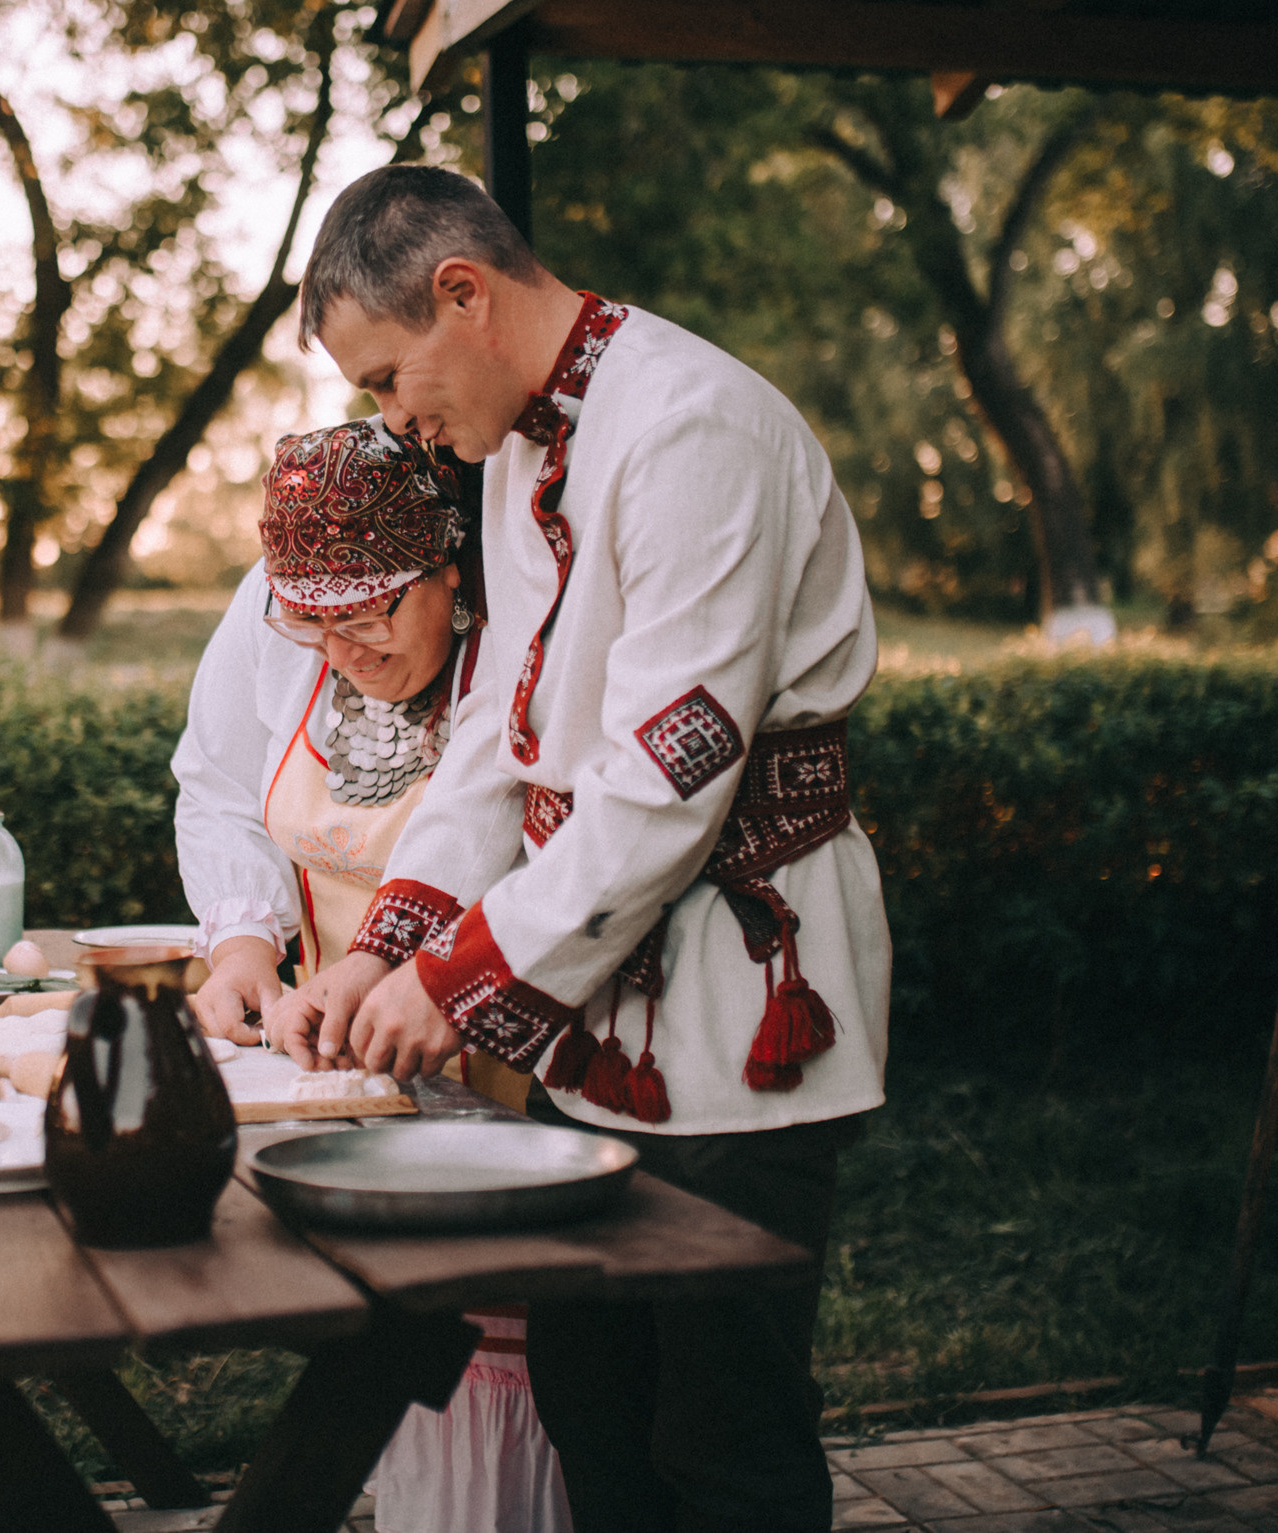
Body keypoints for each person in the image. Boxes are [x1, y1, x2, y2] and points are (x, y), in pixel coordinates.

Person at [272, 162, 891, 1533]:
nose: (395, 418)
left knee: (723, 1440)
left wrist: (454, 984)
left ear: (463, 295)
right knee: (592, 1411)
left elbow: (668, 773)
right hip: (592, 1023)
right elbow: (505, 724)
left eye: (386, 376)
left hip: (739, 1007)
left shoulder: (693, 428)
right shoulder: (514, 442)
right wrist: (388, 943)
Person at [172, 419, 569, 1533]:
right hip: (347, 1056)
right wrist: (243, 941)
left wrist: (434, 979)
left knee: (527, 1346)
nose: (342, 649)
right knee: (402, 1345)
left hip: (514, 1042)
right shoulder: (275, 613)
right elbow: (215, 786)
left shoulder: (521, 639)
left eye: (371, 615)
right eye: (313, 625)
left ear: (448, 570)